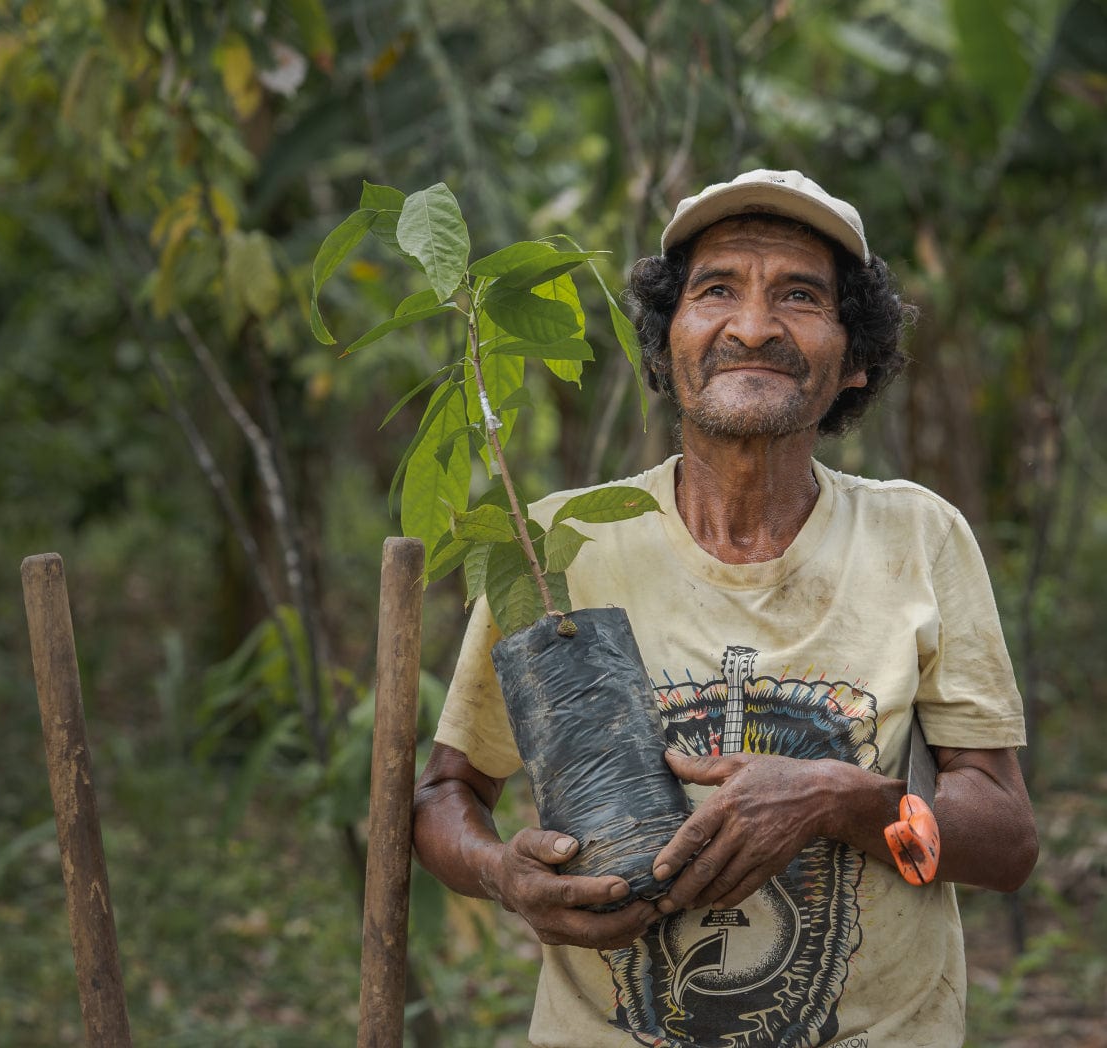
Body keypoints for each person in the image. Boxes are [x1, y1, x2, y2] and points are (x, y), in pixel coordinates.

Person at [411, 169, 1038, 1048]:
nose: (752, 325)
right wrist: (501, 873)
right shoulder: (555, 545)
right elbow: (447, 792)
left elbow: (1006, 843)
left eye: (799, 295)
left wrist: (834, 798)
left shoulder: (918, 535)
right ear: (665, 349)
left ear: (856, 357)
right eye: (716, 290)